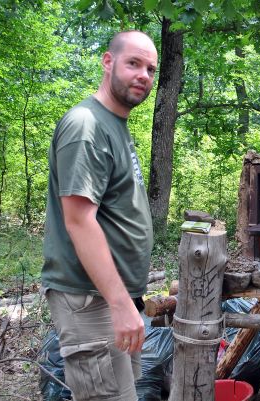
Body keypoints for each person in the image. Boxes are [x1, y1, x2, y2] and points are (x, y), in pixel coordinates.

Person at [41, 30, 158, 401]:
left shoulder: (113, 124)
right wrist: (121, 305)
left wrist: (128, 301)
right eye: (134, 63)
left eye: (151, 69)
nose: (144, 75)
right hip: (92, 301)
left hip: (115, 298)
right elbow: (79, 221)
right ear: (108, 62)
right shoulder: (87, 126)